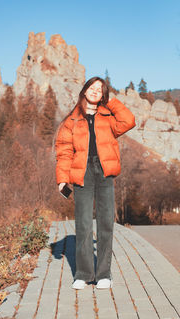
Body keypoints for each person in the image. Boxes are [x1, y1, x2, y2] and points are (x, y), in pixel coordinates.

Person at [55, 76, 135, 289]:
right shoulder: (71, 120)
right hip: (82, 172)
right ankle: (83, 274)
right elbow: (63, 151)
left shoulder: (108, 116)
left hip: (104, 172)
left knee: (106, 223)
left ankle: (103, 275)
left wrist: (111, 102)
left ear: (103, 95)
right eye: (92, 87)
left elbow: (129, 120)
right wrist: (62, 179)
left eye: (100, 89)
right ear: (84, 90)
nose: (95, 90)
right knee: (82, 224)